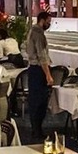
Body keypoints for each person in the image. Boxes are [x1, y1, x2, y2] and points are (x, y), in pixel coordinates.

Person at [25, 11, 53, 140]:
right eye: (48, 21)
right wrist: (48, 75)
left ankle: (36, 129)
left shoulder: (32, 31)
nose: (49, 24)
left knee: (35, 100)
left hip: (33, 69)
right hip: (38, 70)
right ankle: (37, 130)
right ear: (42, 20)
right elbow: (42, 56)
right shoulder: (38, 34)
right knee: (39, 101)